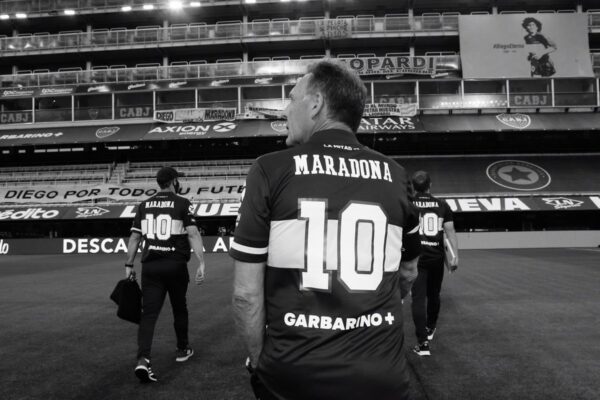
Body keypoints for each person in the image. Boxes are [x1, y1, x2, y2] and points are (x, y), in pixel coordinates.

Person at [230, 59, 421, 400]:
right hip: (381, 377)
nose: (286, 108)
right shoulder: (397, 175)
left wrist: (260, 362)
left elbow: (246, 294)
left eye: (292, 98)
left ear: (316, 103)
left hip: (293, 375)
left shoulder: (269, 170)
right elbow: (407, 273)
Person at [124, 166, 206, 383]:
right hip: (175, 266)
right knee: (180, 307)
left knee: (148, 314)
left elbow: (134, 238)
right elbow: (193, 233)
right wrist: (201, 262)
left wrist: (128, 264)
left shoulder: (143, 205)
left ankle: (143, 360)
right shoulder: (182, 202)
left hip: (150, 267)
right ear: (173, 181)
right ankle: (182, 349)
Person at [409, 170, 458, 356]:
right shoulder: (442, 205)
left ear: (413, 187)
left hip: (416, 258)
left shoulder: (409, 203)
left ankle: (422, 345)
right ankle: (430, 329)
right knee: (434, 294)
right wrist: (455, 256)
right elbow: (450, 231)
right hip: (436, 257)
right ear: (430, 186)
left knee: (418, 299)